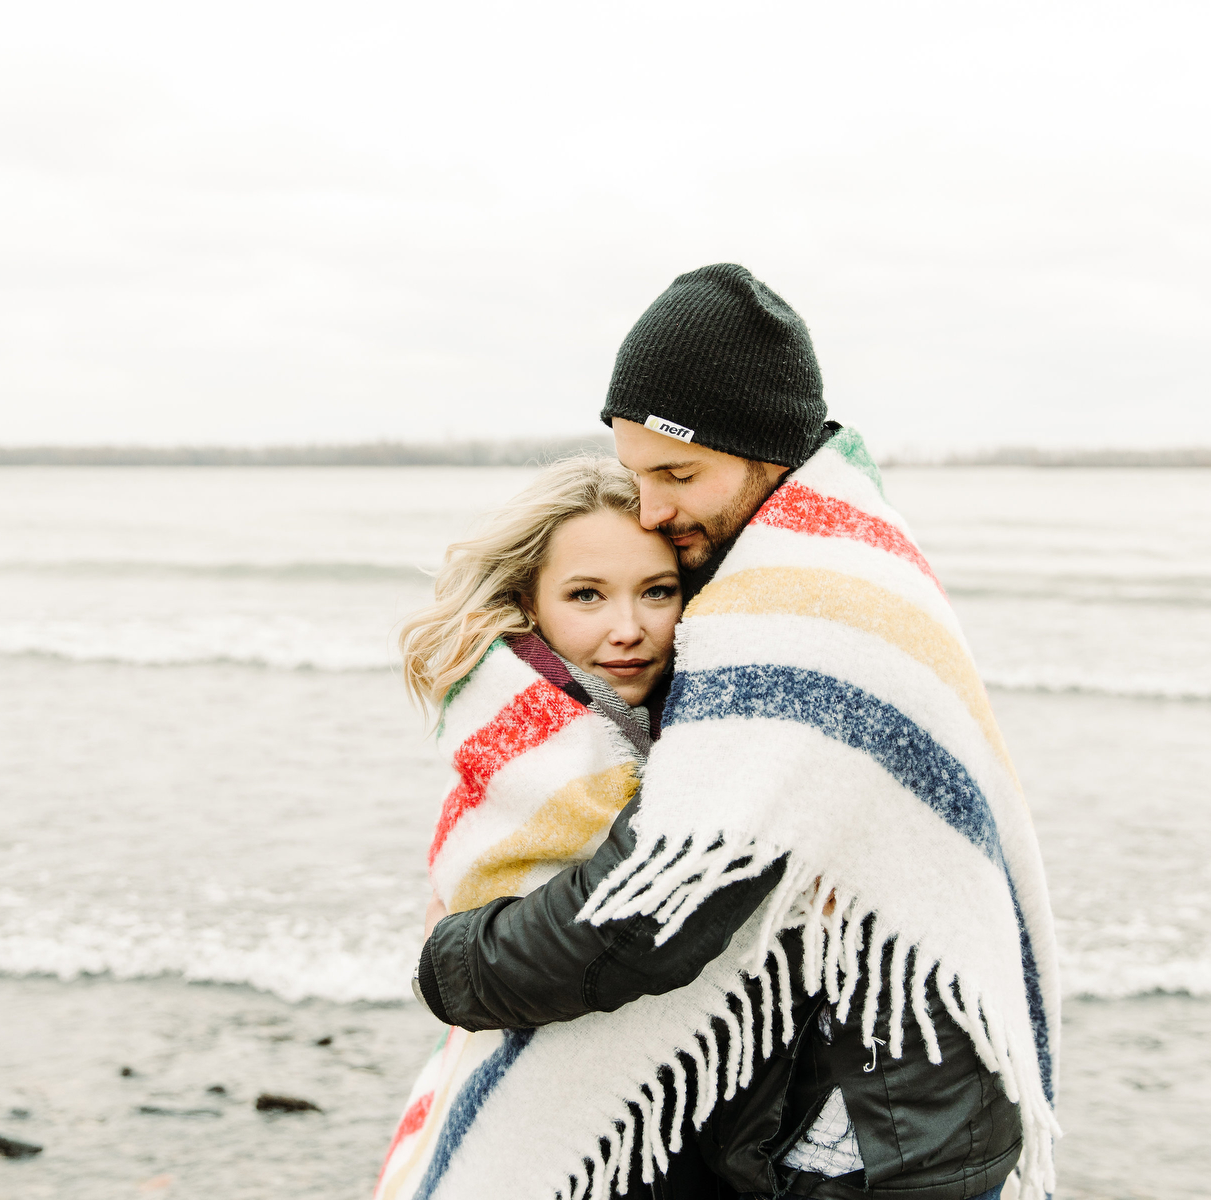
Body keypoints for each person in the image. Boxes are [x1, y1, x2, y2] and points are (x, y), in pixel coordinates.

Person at [412, 265, 1061, 1200]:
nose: (652, 510)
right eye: (639, 476)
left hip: (872, 1143)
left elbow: (649, 911)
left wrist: (450, 967)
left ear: (763, 451)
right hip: (897, 1103)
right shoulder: (843, 553)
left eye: (677, 475)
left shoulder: (794, 613)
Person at [376, 456, 685, 1200]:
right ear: (529, 603)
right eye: (586, 595)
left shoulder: (692, 724)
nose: (628, 629)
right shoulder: (511, 733)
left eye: (658, 591)